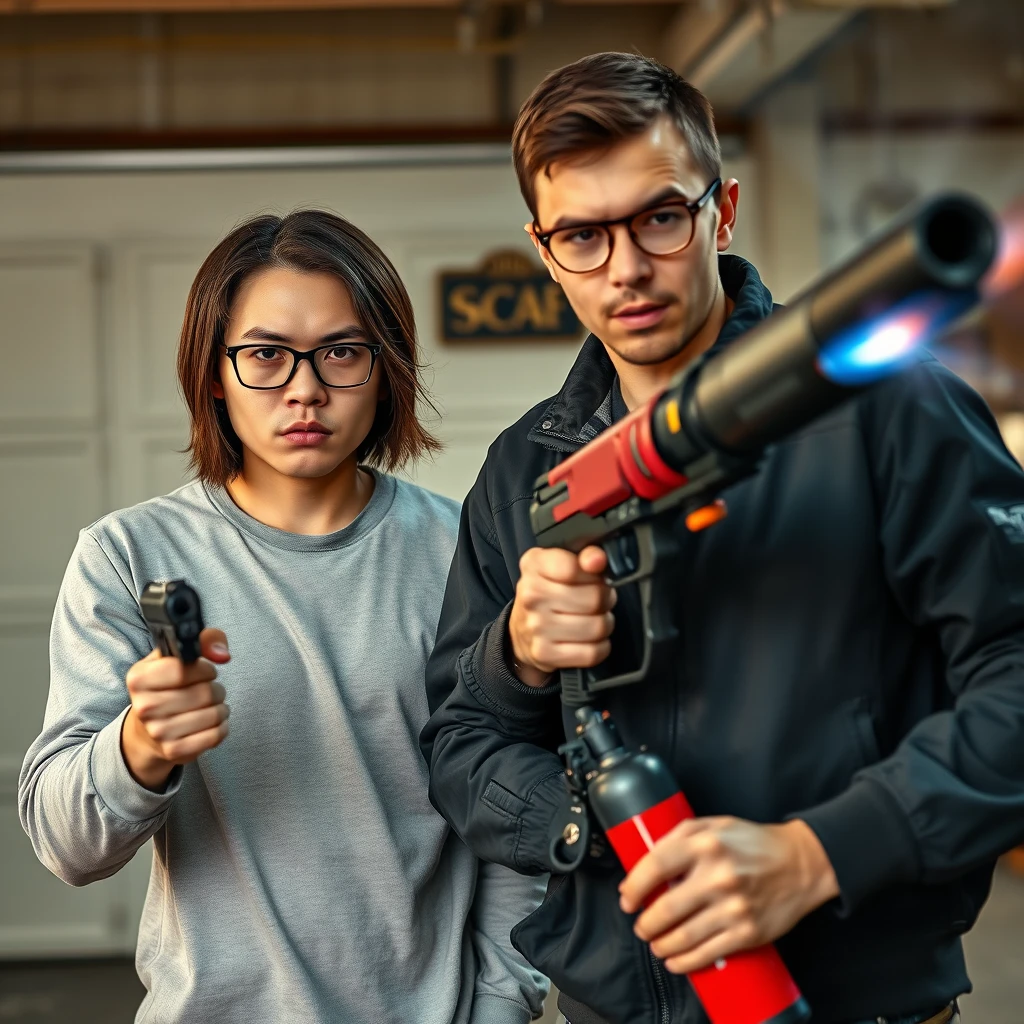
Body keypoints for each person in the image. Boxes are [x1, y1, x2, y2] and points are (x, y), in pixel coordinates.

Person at [420, 51, 1024, 1024]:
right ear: (543, 247)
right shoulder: (524, 465)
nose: (625, 266)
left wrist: (819, 853)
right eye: (582, 233)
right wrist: (526, 678)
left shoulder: (891, 411)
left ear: (721, 208)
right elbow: (459, 745)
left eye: (660, 215)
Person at [20, 210, 547, 1024]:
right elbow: (67, 846)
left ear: (386, 370)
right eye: (266, 354)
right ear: (215, 374)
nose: (305, 387)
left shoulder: (463, 551)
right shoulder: (126, 556)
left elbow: (514, 811)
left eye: (341, 351)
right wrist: (142, 744)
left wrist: (501, 1007)